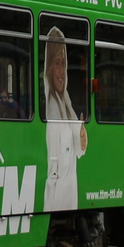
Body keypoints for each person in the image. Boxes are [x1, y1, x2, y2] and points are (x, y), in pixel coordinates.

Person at [42, 28, 86, 212]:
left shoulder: (65, 100)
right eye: (57, 63)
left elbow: (79, 143)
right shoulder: (50, 105)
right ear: (49, 67)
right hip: (58, 197)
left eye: (64, 63)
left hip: (69, 194)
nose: (62, 71)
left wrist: (82, 134)